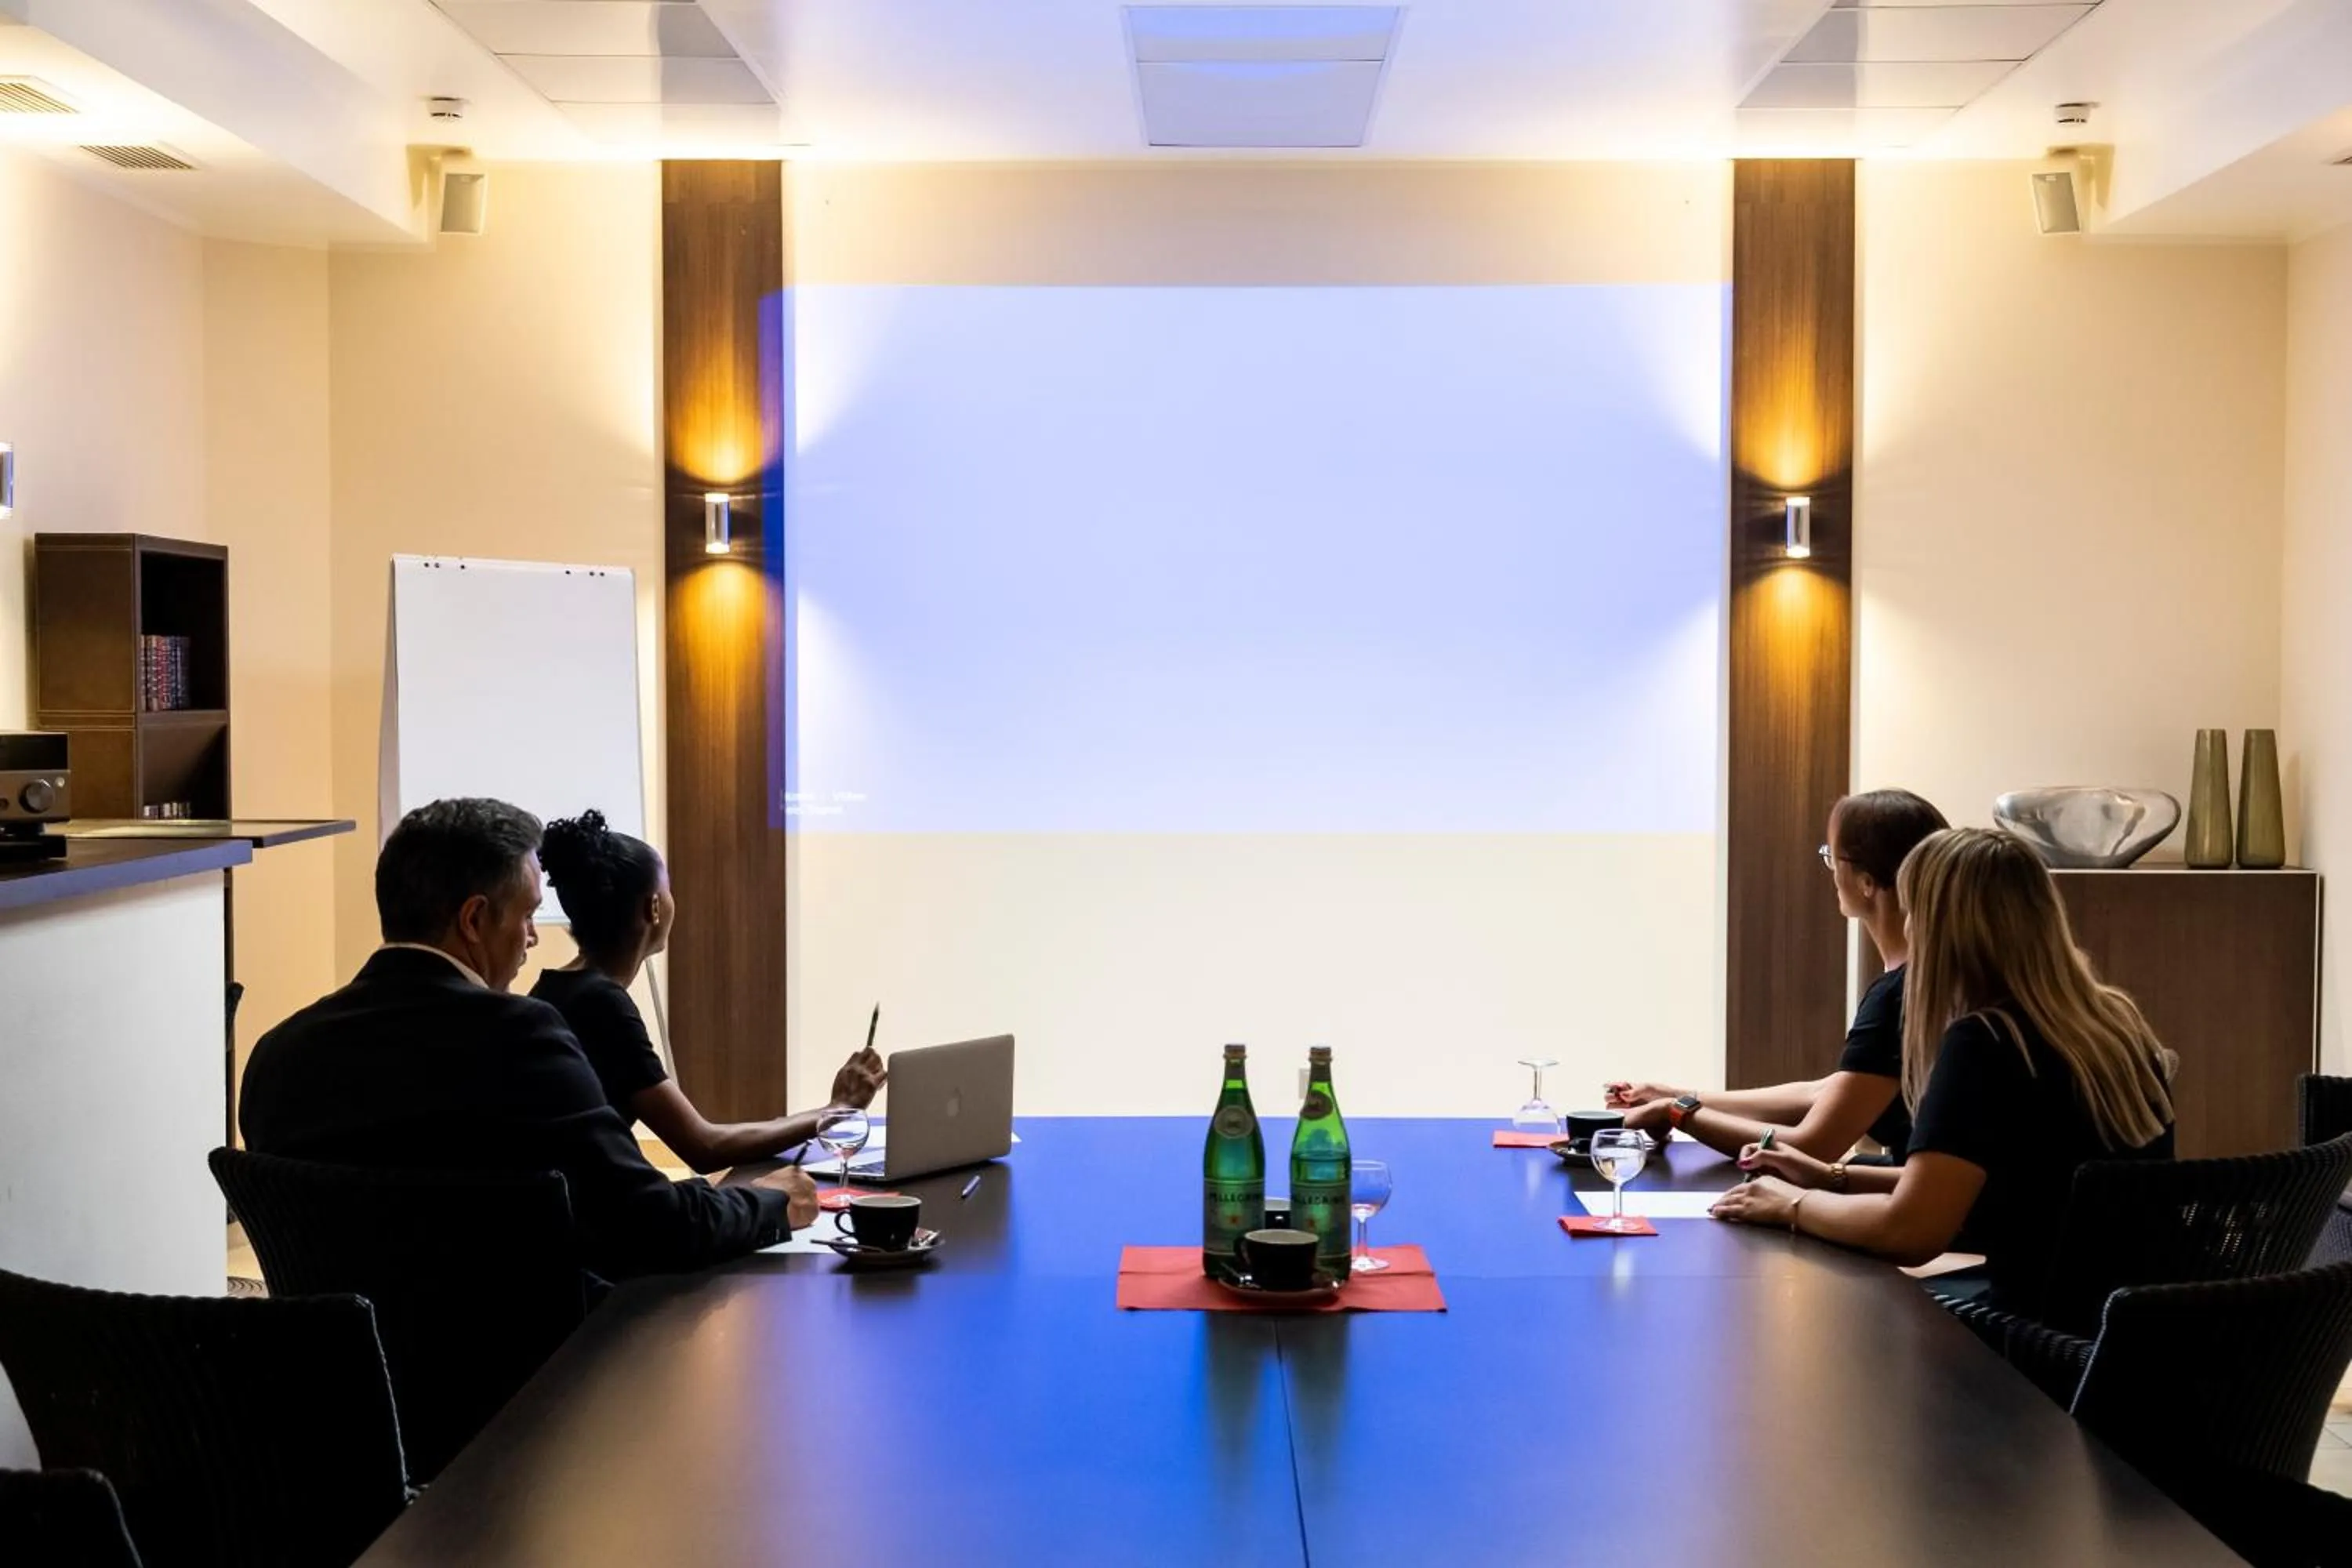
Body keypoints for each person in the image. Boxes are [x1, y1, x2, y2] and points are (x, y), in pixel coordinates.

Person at [241, 797, 818, 1281]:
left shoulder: (277, 1055)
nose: (531, 943)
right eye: (526, 916)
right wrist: (769, 1201)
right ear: (473, 921)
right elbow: (652, 1226)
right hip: (531, 1385)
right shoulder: (517, 1038)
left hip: (342, 1385)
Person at [1710, 827, 2177, 1312]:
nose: (1907, 928)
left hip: (2036, 1327)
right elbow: (2011, 1188)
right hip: (2121, 1323)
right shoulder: (2113, 1026)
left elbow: (1911, 1232)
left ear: (1938, 927)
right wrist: (1833, 1177)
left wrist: (1791, 1207)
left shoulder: (1987, 1042)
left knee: (1835, 1316)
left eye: (1912, 912)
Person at [1603, 789, 1950, 1163]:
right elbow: (1825, 1094)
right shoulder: (1929, 974)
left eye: (1832, 857)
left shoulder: (1898, 993)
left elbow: (1814, 1145)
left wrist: (1678, 1113)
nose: (1830, 869)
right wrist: (1676, 1095)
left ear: (1867, 882)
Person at [532, 809, 884, 1173]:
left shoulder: (553, 988)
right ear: (654, 907)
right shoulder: (602, 1004)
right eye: (668, 889)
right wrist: (835, 1111)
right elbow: (703, 1145)